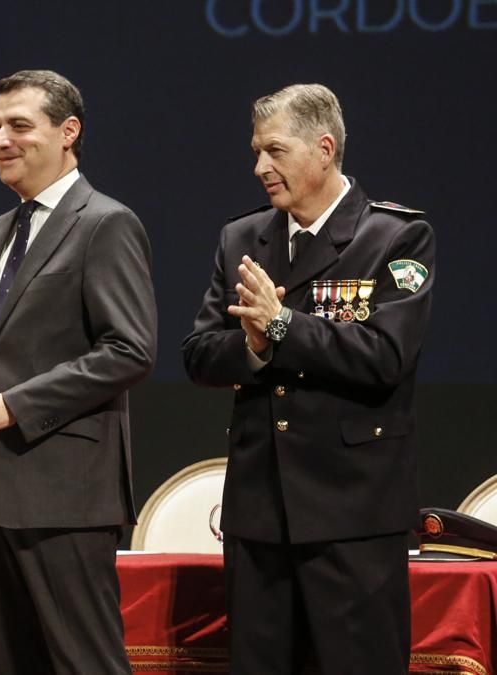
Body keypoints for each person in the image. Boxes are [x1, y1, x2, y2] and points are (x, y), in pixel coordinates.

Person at [182, 83, 434, 674]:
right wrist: (257, 349)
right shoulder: (242, 238)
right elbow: (198, 353)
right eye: (255, 152)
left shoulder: (395, 237)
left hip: (354, 517)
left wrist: (280, 326)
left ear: (324, 149)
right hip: (259, 513)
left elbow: (384, 357)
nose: (259, 166)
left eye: (274, 150)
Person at [0, 70, 157, 674]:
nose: (1, 139)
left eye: (19, 126)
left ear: (68, 132)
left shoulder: (105, 222)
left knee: (84, 663)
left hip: (67, 494)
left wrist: (9, 405)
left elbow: (130, 349)